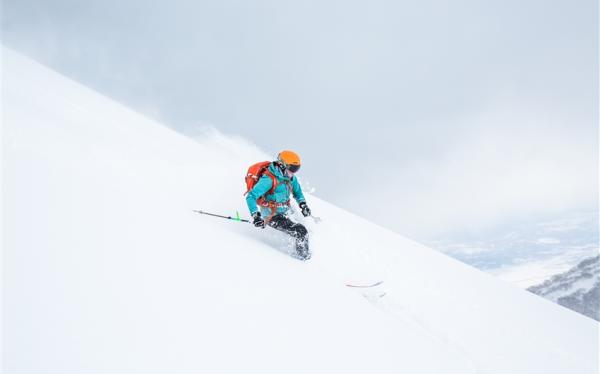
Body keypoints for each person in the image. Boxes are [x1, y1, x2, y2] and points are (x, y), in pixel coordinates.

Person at [246, 150, 313, 260]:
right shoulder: (268, 179)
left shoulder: (290, 177)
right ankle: (303, 260)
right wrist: (256, 216)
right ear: (282, 165)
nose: (293, 173)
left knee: (307, 230)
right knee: (301, 231)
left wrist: (303, 204)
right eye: (291, 169)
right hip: (272, 216)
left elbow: (297, 192)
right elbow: (250, 196)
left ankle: (301, 253)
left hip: (286, 210)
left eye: (296, 169)